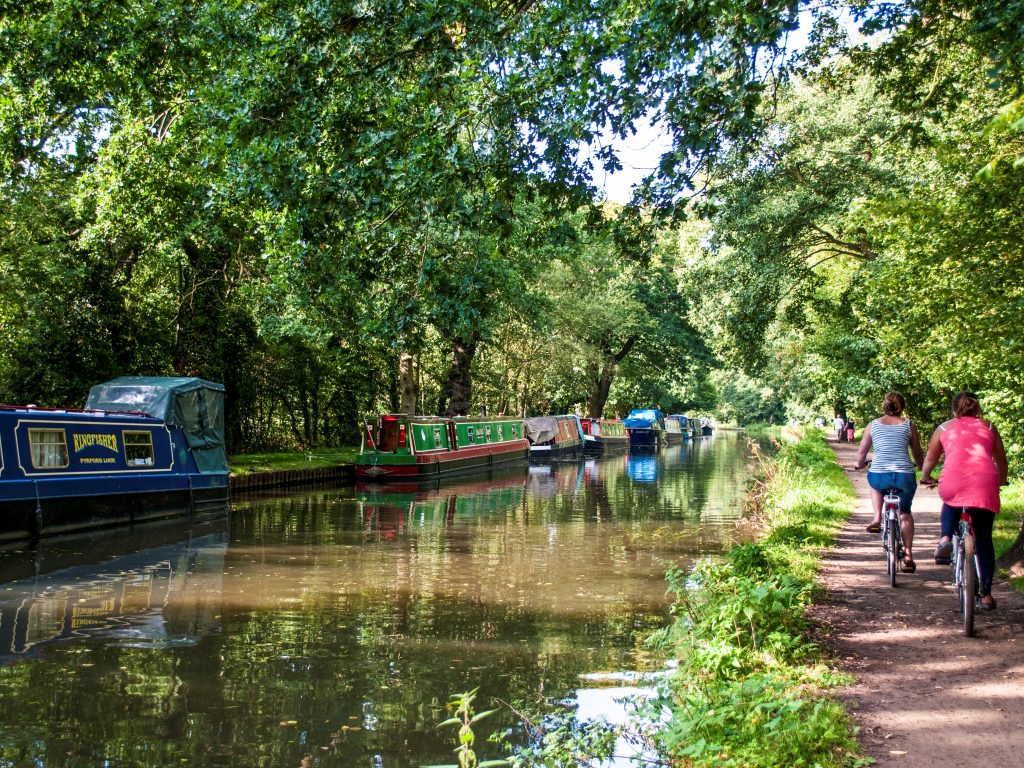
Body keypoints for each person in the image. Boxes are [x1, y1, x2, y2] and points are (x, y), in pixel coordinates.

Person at [920, 391, 1008, 610]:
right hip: (984, 482)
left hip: (953, 478)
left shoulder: (943, 428)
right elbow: (1001, 460)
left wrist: (925, 477)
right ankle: (986, 595)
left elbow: (930, 458)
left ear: (954, 408)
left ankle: (945, 539)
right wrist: (1002, 480)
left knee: (951, 499)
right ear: (976, 407)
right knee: (984, 538)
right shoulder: (989, 427)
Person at [853, 392, 924, 572]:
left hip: (880, 472)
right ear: (902, 407)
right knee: (905, 514)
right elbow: (917, 452)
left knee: (874, 483)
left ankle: (877, 517)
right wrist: (922, 468)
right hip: (904, 475)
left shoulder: (873, 425)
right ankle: (908, 554)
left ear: (884, 405)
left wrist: (859, 464)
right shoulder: (908, 425)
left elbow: (862, 451)